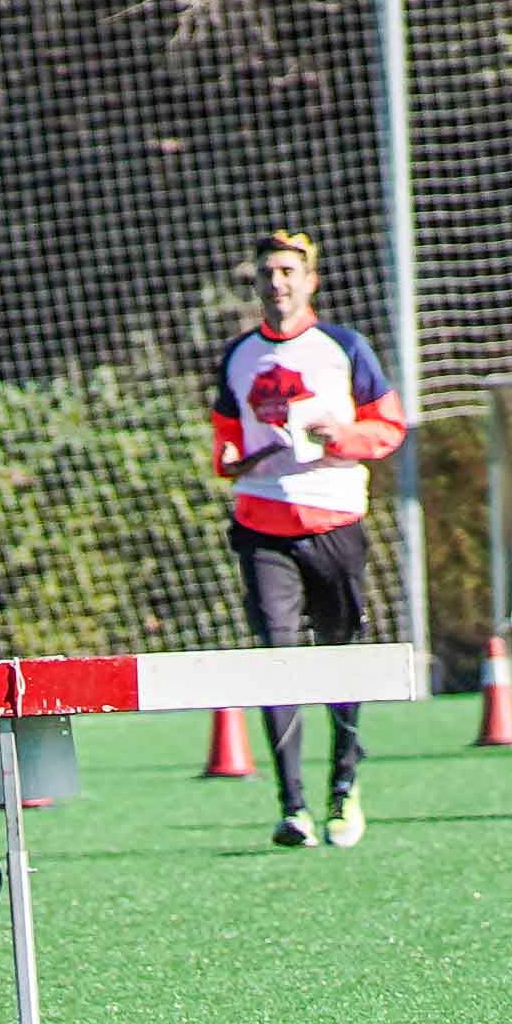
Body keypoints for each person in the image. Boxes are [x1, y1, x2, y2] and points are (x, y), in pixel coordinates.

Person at [204, 232, 409, 849]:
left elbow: (389, 427)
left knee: (339, 659)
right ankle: (292, 807)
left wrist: (339, 434)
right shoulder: (239, 355)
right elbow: (224, 441)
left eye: (288, 272)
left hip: (334, 521)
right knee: (277, 658)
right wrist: (234, 459)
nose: (277, 283)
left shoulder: (344, 347)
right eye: (268, 273)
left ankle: (343, 787)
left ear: (310, 281)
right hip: (262, 527)